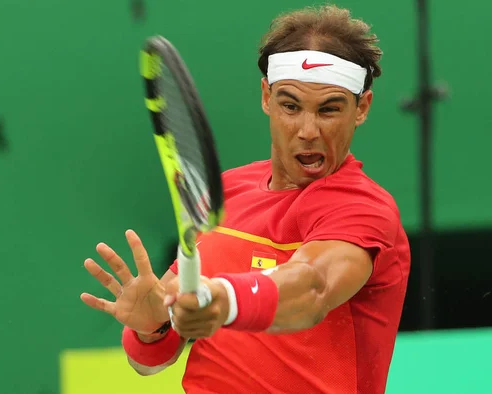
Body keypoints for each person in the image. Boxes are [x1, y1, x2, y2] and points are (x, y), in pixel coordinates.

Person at [80, 5, 410, 394]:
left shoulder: (364, 208)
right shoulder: (226, 192)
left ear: (362, 108)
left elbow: (314, 288)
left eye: (329, 110)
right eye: (291, 106)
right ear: (266, 97)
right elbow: (151, 362)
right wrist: (152, 326)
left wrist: (224, 298)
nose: (307, 130)